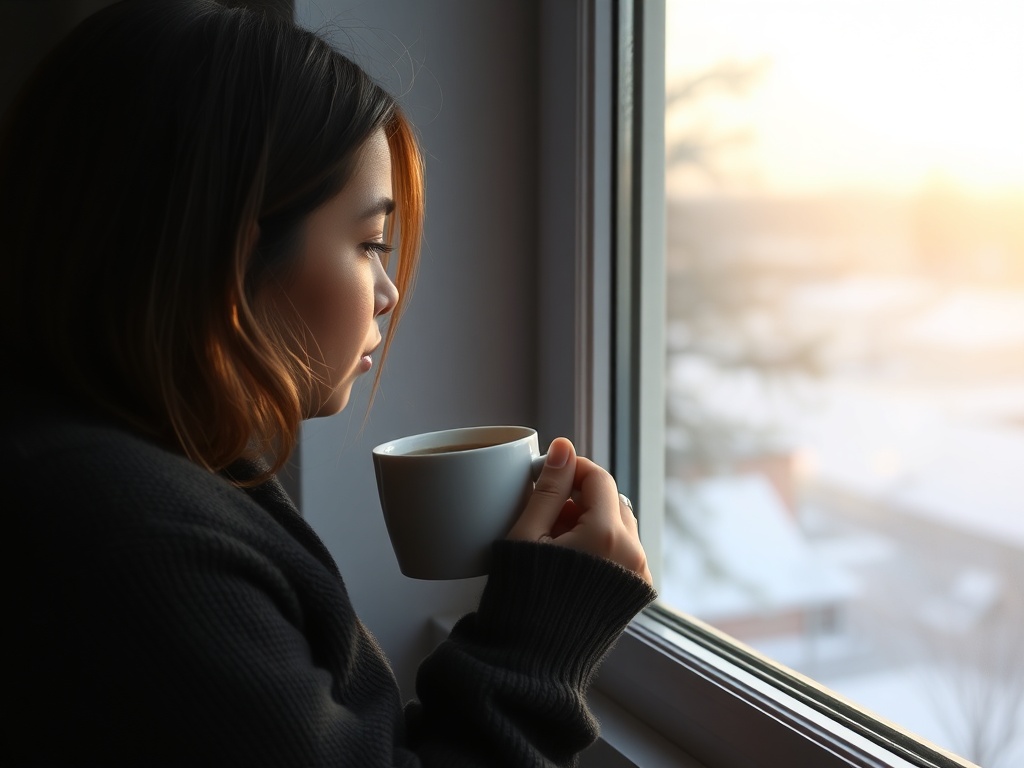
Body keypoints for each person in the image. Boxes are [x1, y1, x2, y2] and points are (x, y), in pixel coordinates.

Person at [0, 1, 656, 765]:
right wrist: (540, 640)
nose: (388, 291)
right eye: (370, 242)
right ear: (226, 253)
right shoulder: (145, 550)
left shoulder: (84, 458)